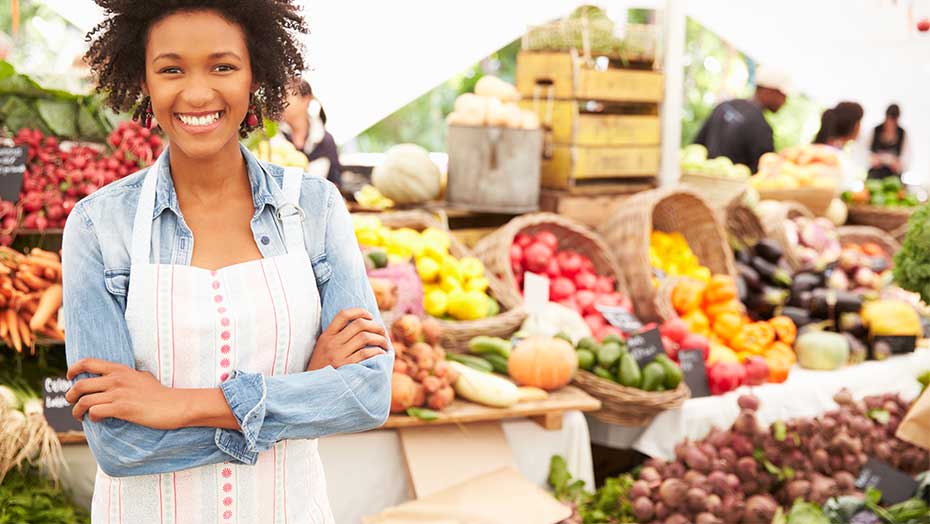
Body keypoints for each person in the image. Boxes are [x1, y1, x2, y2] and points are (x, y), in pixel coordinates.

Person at [62, 2, 392, 523]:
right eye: (171, 69)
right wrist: (304, 394)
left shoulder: (314, 208)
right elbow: (120, 448)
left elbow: (369, 394)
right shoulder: (98, 225)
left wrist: (179, 404)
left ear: (255, 73)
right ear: (143, 79)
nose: (196, 93)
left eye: (222, 66)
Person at [694, 66, 791, 173]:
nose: (785, 102)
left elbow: (697, 147)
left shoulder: (724, 106)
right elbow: (764, 172)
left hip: (701, 183)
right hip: (733, 188)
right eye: (783, 95)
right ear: (769, 90)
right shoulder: (761, 127)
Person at [280, 79, 343, 187]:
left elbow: (335, 182)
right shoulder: (273, 139)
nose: (281, 102)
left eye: (286, 96)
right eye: (280, 97)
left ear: (306, 99)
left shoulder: (325, 141)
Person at [867, 104, 909, 180]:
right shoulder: (875, 130)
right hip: (875, 174)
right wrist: (872, 159)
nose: (891, 124)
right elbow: (865, 151)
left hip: (893, 177)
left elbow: (907, 157)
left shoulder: (903, 133)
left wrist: (898, 164)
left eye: (893, 121)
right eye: (889, 120)